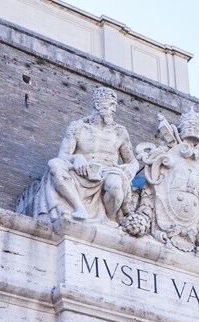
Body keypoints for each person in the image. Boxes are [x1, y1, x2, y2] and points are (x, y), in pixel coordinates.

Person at [34, 87, 138, 223]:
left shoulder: (120, 132)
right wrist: (76, 158)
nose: (114, 109)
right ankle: (79, 207)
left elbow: (133, 161)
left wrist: (132, 168)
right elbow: (62, 156)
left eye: (115, 105)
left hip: (107, 172)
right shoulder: (78, 127)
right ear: (97, 104)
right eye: (111, 104)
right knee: (54, 164)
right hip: (81, 172)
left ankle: (110, 219)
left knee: (116, 184)